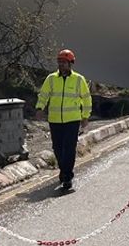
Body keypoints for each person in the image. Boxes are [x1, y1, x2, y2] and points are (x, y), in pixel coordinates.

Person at [35, 48, 92, 191]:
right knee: (57, 148)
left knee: (69, 148)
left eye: (64, 62)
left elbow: (86, 99)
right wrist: (40, 108)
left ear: (70, 63)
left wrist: (85, 116)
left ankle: (67, 176)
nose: (61, 64)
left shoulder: (79, 79)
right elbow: (43, 95)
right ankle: (64, 170)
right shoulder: (51, 79)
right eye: (59, 62)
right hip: (55, 120)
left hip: (72, 120)